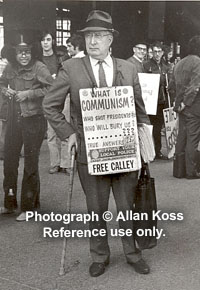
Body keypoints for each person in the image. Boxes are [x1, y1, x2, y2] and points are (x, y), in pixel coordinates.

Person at [43, 10, 151, 277]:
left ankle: (132, 253)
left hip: (125, 150)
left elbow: (139, 110)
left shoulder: (128, 68)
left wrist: (145, 140)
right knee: (96, 208)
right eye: (89, 36)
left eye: (100, 36)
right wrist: (69, 134)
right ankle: (100, 255)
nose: (93, 42)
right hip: (89, 153)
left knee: (127, 206)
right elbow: (50, 106)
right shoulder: (70, 68)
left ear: (110, 39)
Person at [0, 34, 53, 220]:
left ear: (32, 52)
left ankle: (29, 208)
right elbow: (1, 83)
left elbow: (52, 88)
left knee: (30, 165)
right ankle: (9, 203)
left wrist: (29, 93)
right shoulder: (10, 68)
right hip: (13, 121)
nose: (23, 56)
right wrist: (5, 90)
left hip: (33, 120)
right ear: (14, 54)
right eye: (20, 53)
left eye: (27, 52)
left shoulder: (40, 67)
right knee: (9, 162)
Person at [169, 35, 200, 179]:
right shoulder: (198, 62)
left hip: (181, 107)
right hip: (193, 107)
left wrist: (178, 103)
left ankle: (178, 171)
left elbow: (171, 87)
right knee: (193, 138)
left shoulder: (179, 63)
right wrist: (186, 102)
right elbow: (195, 87)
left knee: (182, 137)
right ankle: (191, 171)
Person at [40, 31, 70, 174]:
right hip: (48, 98)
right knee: (51, 133)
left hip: (63, 96)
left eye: (48, 39)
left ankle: (66, 163)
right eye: (43, 40)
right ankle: (55, 163)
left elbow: (66, 73)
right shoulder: (38, 60)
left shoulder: (60, 57)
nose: (45, 42)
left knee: (64, 128)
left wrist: (56, 78)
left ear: (52, 41)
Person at [143, 41, 169, 159]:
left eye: (159, 51)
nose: (157, 54)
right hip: (152, 101)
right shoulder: (146, 65)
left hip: (163, 101)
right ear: (152, 53)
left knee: (161, 127)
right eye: (155, 52)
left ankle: (158, 150)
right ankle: (151, 151)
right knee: (152, 127)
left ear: (163, 53)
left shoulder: (166, 66)